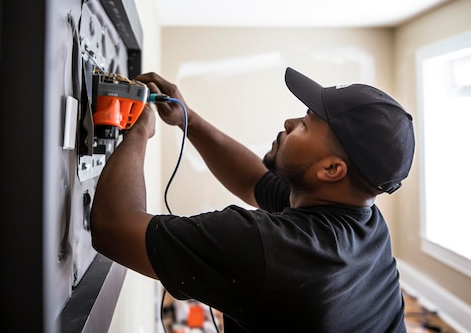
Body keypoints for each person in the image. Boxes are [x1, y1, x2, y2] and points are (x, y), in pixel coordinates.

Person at [90, 67, 415, 332]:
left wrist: (138, 129)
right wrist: (188, 119)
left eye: (305, 123)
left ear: (331, 169)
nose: (289, 123)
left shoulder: (271, 247)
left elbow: (112, 226)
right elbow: (254, 181)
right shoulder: (364, 219)